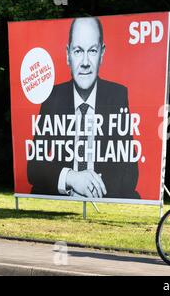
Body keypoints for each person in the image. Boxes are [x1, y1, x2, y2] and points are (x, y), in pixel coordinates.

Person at [27, 17, 139, 199]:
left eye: (92, 50)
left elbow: (130, 173)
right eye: (78, 51)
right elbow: (33, 168)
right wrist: (72, 178)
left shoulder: (117, 96)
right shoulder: (51, 96)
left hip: (102, 195)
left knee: (134, 196)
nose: (85, 62)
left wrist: (92, 186)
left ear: (102, 53)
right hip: (62, 195)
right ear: (68, 54)